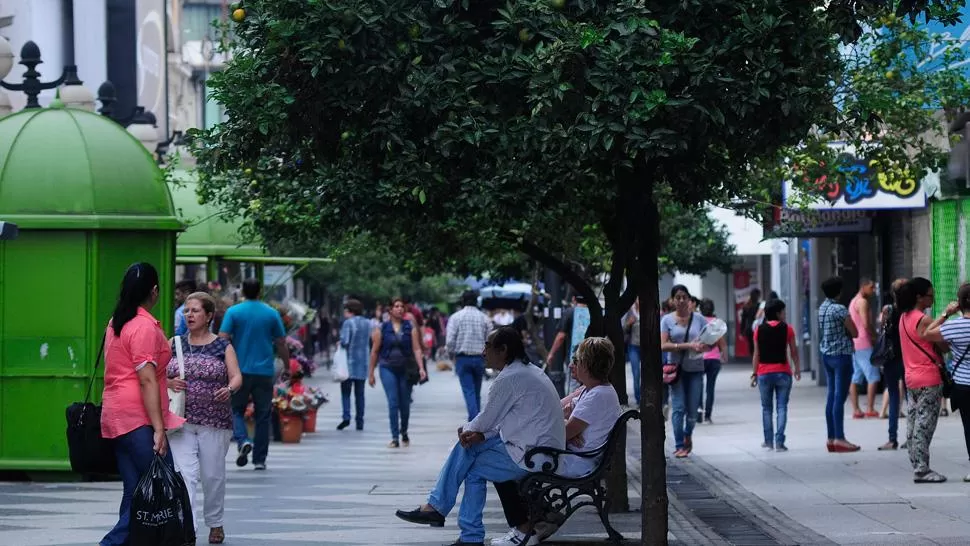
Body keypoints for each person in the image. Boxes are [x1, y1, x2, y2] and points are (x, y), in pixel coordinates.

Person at [393, 327, 565, 546]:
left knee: (472, 466)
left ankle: (457, 525)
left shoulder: (510, 378)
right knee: (470, 449)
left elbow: (486, 420)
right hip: (537, 449)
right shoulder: (525, 371)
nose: (483, 351)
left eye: (488, 346)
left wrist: (468, 431)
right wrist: (478, 435)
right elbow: (500, 421)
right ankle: (449, 519)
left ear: (503, 350)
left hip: (534, 456)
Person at [490, 337, 622, 546]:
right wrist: (565, 420)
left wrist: (564, 421)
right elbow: (553, 410)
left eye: (576, 361)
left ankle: (524, 531)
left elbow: (560, 430)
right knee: (506, 459)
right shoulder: (588, 389)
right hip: (566, 453)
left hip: (574, 461)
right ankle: (537, 522)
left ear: (588, 365)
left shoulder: (598, 396)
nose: (571, 365)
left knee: (501, 470)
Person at [100, 263, 185, 546]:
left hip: (115, 416)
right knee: (162, 488)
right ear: (155, 292)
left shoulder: (116, 322)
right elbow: (146, 380)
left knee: (135, 490)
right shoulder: (144, 327)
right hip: (138, 419)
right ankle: (111, 544)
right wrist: (159, 429)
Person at [167, 292, 242, 545]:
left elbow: (236, 376)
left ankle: (215, 522)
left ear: (209, 316)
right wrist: (168, 381)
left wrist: (229, 389)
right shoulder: (174, 343)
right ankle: (188, 528)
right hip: (180, 421)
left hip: (215, 422)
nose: (189, 315)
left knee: (212, 476)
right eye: (186, 310)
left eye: (195, 310)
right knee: (185, 475)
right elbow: (154, 374)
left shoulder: (222, 346)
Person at [219, 278, 290, 471]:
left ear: (243, 291)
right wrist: (287, 366)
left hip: (238, 371)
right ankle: (259, 459)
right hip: (264, 371)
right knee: (263, 415)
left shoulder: (233, 312)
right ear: (260, 291)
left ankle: (242, 440)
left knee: (235, 410)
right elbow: (282, 342)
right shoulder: (271, 313)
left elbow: (222, 339)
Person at [898, 277, 948, 483]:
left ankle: (917, 463)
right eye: (930, 295)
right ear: (919, 297)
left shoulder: (903, 317)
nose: (933, 299)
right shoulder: (923, 320)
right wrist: (946, 316)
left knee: (913, 422)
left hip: (911, 378)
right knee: (925, 423)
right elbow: (944, 345)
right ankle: (922, 468)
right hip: (929, 377)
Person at [369, 298, 427, 448]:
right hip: (387, 367)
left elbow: (416, 349)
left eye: (402, 306)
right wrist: (371, 373)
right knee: (393, 402)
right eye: (396, 306)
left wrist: (421, 368)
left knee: (405, 404)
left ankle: (404, 432)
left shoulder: (410, 328)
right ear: (390, 310)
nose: (400, 309)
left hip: (406, 369)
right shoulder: (381, 329)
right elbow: (374, 352)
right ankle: (395, 437)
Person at [660, 285, 709, 459]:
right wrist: (687, 345)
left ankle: (688, 433)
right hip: (676, 370)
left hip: (696, 368)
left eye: (684, 297)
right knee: (679, 408)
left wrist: (704, 346)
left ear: (689, 300)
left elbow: (709, 340)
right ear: (672, 300)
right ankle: (680, 444)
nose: (681, 300)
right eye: (678, 297)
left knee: (693, 410)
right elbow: (663, 345)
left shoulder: (699, 319)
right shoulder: (666, 320)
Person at [928, 282, 970, 481]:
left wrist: (946, 313)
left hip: (963, 385)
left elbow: (927, 333)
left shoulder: (952, 326)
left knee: (969, 427)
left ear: (960, 304)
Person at [752, 299, 800, 451]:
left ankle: (768, 441)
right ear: (778, 313)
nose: (785, 314)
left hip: (764, 373)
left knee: (766, 408)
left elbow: (756, 354)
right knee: (782, 407)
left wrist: (754, 373)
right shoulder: (788, 329)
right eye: (784, 312)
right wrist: (797, 368)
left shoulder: (758, 330)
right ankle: (779, 442)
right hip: (783, 372)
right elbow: (793, 352)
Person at [818, 277, 860, 453]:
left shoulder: (822, 308)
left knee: (831, 395)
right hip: (841, 355)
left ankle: (831, 437)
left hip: (827, 354)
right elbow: (855, 332)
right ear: (839, 291)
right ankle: (840, 438)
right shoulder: (839, 309)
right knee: (839, 398)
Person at [446, 290, 493, 421]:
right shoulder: (485, 318)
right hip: (480, 358)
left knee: (469, 391)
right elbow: (490, 340)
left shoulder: (455, 317)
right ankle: (476, 422)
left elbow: (450, 341)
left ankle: (474, 422)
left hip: (462, 358)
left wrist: (451, 356)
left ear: (462, 300)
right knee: (476, 392)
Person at [878, 279, 907, 450]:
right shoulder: (910, 312)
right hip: (908, 357)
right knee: (912, 399)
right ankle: (911, 437)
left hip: (891, 357)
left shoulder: (887, 310)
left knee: (893, 396)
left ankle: (892, 438)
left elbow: (883, 330)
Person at [337, 299, 372, 431]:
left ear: (350, 311)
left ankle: (346, 417)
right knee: (360, 394)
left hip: (348, 363)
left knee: (346, 392)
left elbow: (345, 341)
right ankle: (360, 420)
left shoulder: (348, 323)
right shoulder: (368, 323)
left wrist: (339, 342)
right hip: (362, 362)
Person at [547, 295, 591, 393]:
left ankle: (573, 407)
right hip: (592, 357)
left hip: (574, 358)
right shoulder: (594, 312)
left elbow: (561, 336)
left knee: (573, 389)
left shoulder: (569, 312)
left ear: (574, 299)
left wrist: (551, 353)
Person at [849, 278, 880, 419]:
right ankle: (870, 408)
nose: (873, 291)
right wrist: (875, 336)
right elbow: (866, 324)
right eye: (871, 287)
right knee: (873, 376)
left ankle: (856, 409)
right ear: (863, 286)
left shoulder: (853, 301)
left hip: (855, 343)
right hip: (865, 342)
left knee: (856, 377)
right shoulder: (863, 302)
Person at [698, 299, 728, 424]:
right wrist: (724, 356)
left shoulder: (698, 321)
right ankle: (708, 416)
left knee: (698, 387)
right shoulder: (717, 323)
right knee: (710, 388)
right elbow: (722, 342)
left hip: (699, 358)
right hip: (714, 359)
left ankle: (698, 414)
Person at [623, 299, 642, 406]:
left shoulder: (649, 310)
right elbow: (623, 329)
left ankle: (645, 397)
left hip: (646, 348)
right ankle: (638, 398)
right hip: (633, 346)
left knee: (645, 373)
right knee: (636, 373)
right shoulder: (630, 312)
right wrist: (629, 323)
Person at [740, 288, 762, 360]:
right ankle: (758, 359)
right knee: (758, 345)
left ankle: (753, 359)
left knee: (751, 346)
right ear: (758, 296)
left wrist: (741, 331)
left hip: (749, 329)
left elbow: (743, 320)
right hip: (757, 328)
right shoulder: (759, 306)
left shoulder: (746, 306)